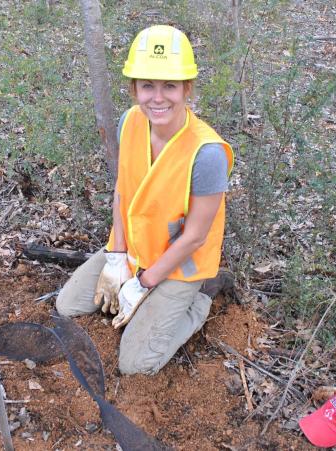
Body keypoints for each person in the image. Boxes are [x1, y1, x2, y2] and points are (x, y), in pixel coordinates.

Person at [56, 25, 234, 375]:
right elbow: (124, 190)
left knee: (135, 364)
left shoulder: (207, 153)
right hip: (136, 251)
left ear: (187, 88)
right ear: (134, 88)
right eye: (147, 85)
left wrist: (143, 283)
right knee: (68, 305)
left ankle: (197, 304)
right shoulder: (130, 122)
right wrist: (117, 257)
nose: (158, 97)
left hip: (180, 266)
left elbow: (195, 237)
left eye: (169, 85)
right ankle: (143, 286)